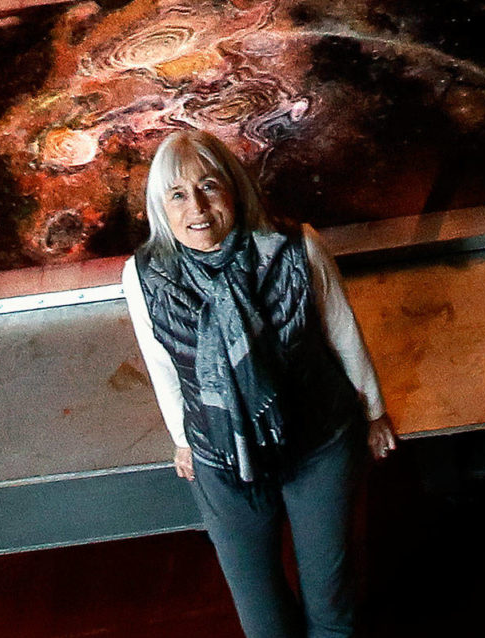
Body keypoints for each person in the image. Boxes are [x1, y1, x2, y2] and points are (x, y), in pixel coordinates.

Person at [122, 129, 396, 638]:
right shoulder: (144, 276)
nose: (197, 207)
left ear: (234, 189)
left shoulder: (297, 247)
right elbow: (161, 364)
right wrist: (183, 440)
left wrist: (373, 411)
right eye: (178, 194)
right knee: (259, 610)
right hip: (221, 454)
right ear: (161, 206)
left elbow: (341, 329)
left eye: (209, 186)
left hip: (316, 438)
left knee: (330, 596)